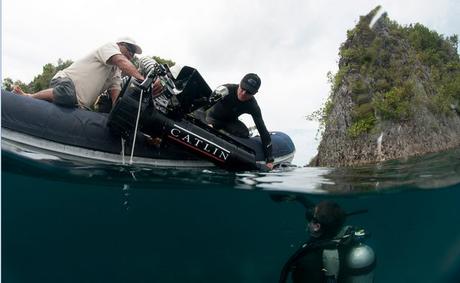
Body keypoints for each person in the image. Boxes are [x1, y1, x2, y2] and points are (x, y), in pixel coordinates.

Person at [13, 37, 159, 109]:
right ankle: (29, 96)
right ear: (119, 45)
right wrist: (142, 80)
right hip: (65, 81)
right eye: (130, 49)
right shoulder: (109, 48)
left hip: (78, 105)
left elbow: (115, 95)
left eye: (134, 53)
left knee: (73, 101)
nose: (132, 55)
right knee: (68, 94)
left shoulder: (116, 73)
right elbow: (122, 61)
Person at [279, 201, 376, 283]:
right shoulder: (348, 243)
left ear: (317, 227)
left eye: (312, 215)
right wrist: (300, 199)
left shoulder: (307, 261)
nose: (309, 213)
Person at [205, 73, 274, 169]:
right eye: (242, 89)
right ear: (240, 83)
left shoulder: (252, 105)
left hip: (229, 122)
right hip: (212, 118)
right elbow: (204, 105)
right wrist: (206, 124)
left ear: (255, 93)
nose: (243, 94)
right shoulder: (225, 90)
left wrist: (269, 159)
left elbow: (262, 130)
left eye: (248, 92)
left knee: (244, 132)